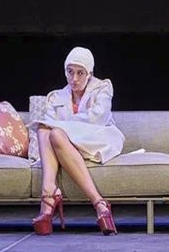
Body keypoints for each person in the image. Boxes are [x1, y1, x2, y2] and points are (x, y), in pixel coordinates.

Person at [29, 46, 124, 235]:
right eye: (70, 72)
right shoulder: (56, 96)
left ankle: (52, 201)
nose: (74, 78)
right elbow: (48, 123)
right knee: (45, 129)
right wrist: (60, 128)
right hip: (63, 143)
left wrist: (63, 126)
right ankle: (51, 192)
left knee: (55, 132)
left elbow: (97, 118)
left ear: (89, 74)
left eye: (80, 73)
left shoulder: (102, 88)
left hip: (97, 137)